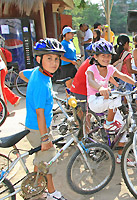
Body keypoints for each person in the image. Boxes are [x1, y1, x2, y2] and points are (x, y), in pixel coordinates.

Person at [19, 38, 67, 200]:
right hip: (38, 129)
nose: (54, 63)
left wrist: (33, 88)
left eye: (56, 59)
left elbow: (21, 74)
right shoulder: (41, 82)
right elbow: (40, 113)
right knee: (48, 163)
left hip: (33, 126)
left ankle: (33, 188)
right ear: (39, 59)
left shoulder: (37, 73)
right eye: (49, 58)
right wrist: (45, 137)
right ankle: (52, 194)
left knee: (41, 160)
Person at [86, 40, 137, 165]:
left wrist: (136, 84)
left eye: (108, 56)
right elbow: (91, 80)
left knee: (124, 127)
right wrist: (100, 88)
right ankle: (108, 124)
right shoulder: (91, 69)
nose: (106, 58)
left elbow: (123, 76)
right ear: (95, 57)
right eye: (103, 55)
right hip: (95, 101)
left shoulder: (110, 69)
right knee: (115, 97)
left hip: (107, 102)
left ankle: (120, 157)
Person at [0, 47, 21, 115]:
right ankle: (14, 99)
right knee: (2, 87)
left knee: (1, 90)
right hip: (2, 68)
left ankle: (4, 111)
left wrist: (5, 64)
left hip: (1, 69)